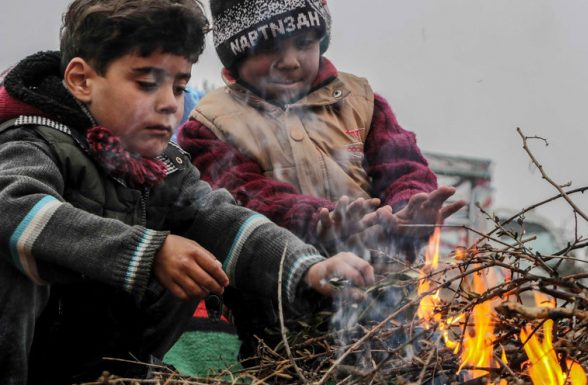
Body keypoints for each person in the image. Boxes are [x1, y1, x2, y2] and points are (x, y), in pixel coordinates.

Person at [0, 1, 374, 384]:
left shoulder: (163, 165)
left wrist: (308, 267)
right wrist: (147, 252)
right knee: (10, 244)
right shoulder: (33, 140)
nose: (169, 104)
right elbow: (11, 208)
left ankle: (127, 375)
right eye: (147, 83)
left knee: (199, 250)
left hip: (95, 362)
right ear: (82, 80)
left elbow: (222, 220)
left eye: (179, 87)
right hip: (32, 355)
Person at [179, 0, 465, 263]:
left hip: (380, 287)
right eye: (269, 47)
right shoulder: (211, 125)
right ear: (236, 54)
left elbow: (403, 167)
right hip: (276, 291)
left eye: (304, 43)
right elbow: (245, 197)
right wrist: (318, 219)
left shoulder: (360, 102)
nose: (290, 61)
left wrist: (407, 207)